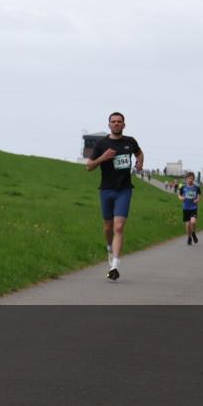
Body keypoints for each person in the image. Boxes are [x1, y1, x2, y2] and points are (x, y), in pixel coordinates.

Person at [86, 112, 144, 281]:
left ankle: (114, 266)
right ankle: (110, 247)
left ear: (124, 125)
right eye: (114, 122)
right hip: (106, 190)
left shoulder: (130, 141)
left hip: (124, 190)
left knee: (118, 227)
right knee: (108, 226)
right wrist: (103, 158)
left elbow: (139, 153)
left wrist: (140, 162)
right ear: (109, 125)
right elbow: (89, 167)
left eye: (120, 122)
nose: (117, 124)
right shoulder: (102, 143)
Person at [178, 172, 201, 245]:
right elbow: (179, 195)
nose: (190, 180)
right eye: (189, 178)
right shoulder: (183, 187)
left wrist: (197, 200)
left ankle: (193, 233)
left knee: (193, 222)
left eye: (192, 178)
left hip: (193, 208)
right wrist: (181, 198)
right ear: (186, 179)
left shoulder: (196, 188)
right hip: (186, 208)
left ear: (193, 179)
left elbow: (199, 197)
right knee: (188, 225)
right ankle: (189, 237)